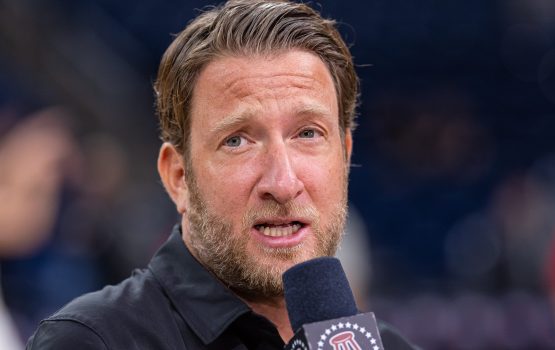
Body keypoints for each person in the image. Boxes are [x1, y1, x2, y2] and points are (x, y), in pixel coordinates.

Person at [27, 1, 416, 348]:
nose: (283, 183)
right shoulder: (92, 341)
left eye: (308, 134)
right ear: (178, 177)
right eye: (237, 141)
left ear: (344, 158)